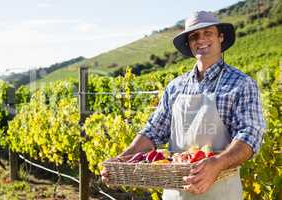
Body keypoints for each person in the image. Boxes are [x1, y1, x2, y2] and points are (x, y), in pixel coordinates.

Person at [101, 11, 265, 200]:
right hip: (176, 194)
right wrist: (122, 160)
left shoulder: (242, 84)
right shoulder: (176, 86)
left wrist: (218, 163)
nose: (201, 39)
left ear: (221, 37)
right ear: (189, 44)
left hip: (221, 193)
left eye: (208, 33)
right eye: (194, 36)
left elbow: (250, 134)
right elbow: (153, 131)